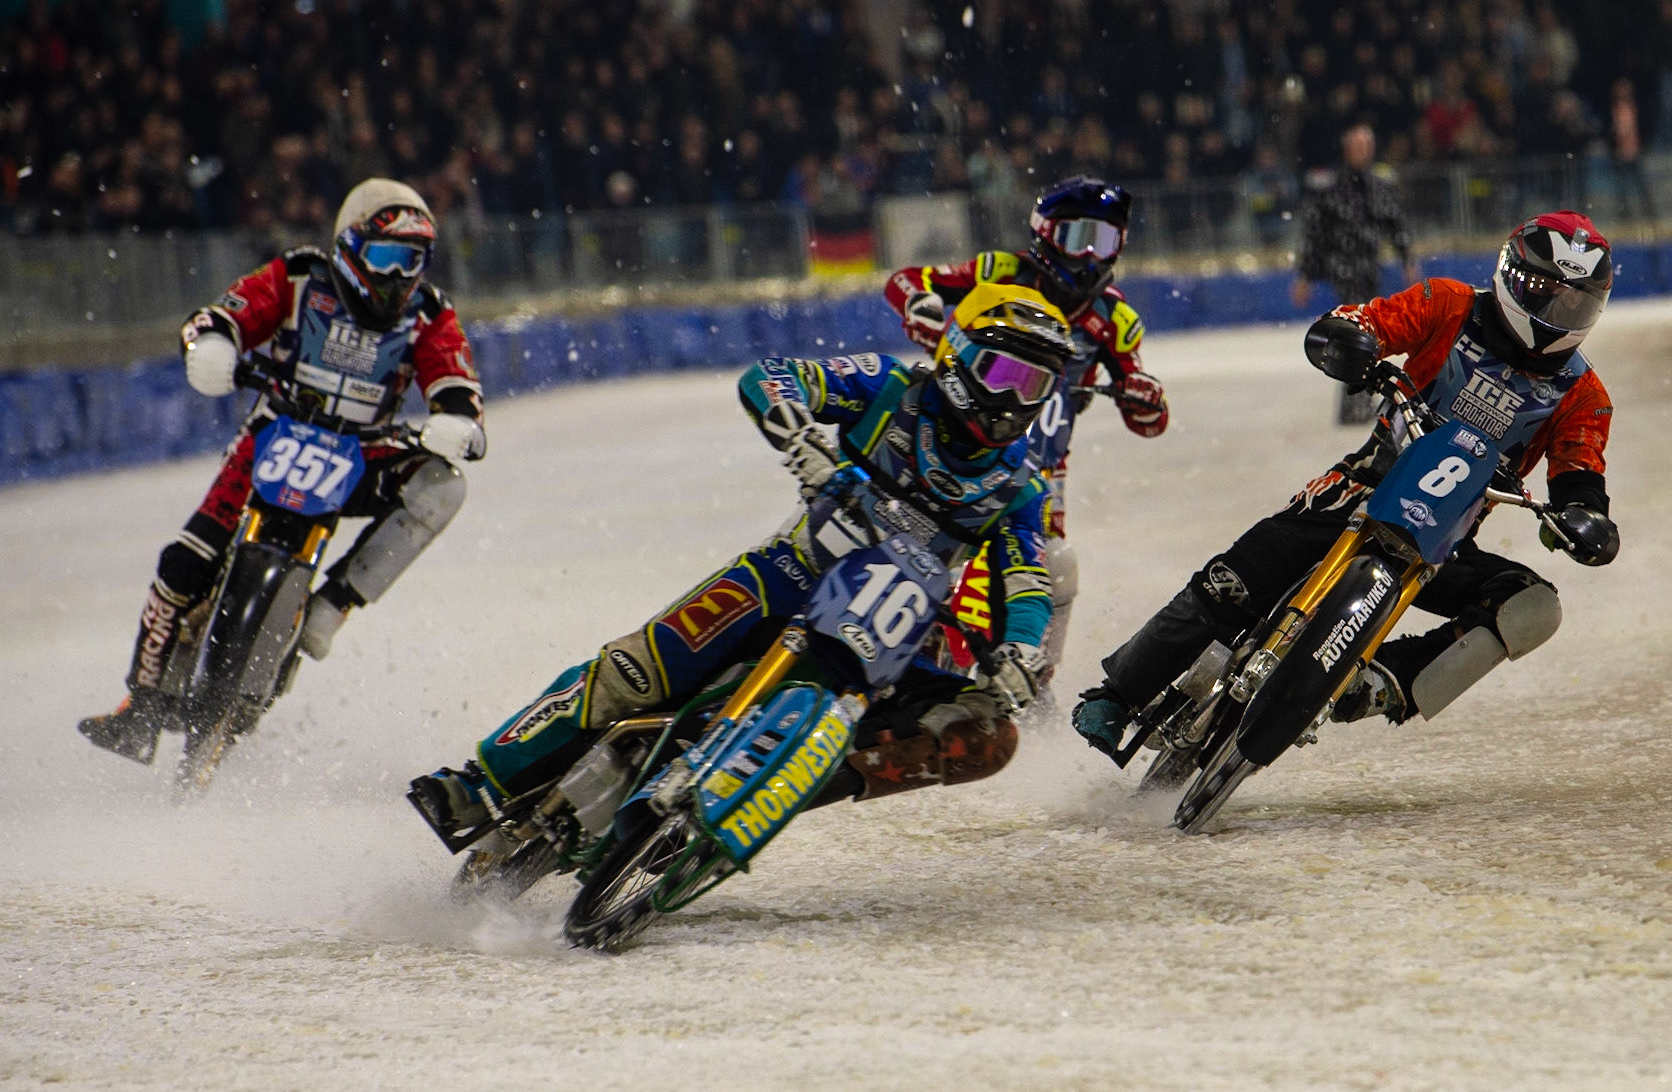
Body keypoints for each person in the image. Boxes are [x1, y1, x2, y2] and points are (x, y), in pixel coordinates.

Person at [409, 284, 1075, 842]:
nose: (1016, 401)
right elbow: (773, 377)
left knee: (985, 732)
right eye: (1005, 374)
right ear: (958, 356)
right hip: (789, 573)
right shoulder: (888, 386)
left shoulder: (1018, 489)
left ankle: (783, 786)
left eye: (1036, 386)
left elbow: (1026, 580)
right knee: (635, 671)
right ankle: (478, 781)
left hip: (891, 639)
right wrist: (802, 441)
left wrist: (1020, 650)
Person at [1075, 212, 1620, 755]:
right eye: (1543, 290)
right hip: (1361, 487)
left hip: (1446, 536)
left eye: (1573, 301)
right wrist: (1351, 339)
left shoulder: (1583, 394)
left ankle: (1387, 682)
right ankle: (1117, 694)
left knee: (1532, 607)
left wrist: (1584, 518)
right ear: (1511, 272)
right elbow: (1366, 321)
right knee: (1233, 582)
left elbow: (1580, 473)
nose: (1554, 310)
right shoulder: (1448, 303)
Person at [78, 179, 486, 764]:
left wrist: (457, 421)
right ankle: (140, 708)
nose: (398, 276)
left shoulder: (428, 313)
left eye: (412, 261)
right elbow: (223, 314)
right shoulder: (300, 276)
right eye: (386, 256)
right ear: (350, 246)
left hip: (363, 454)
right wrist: (215, 342)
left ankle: (333, 606)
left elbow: (456, 381)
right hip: (271, 436)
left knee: (444, 486)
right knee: (184, 564)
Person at [883, 176, 1168, 688]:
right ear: (1044, 232)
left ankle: (1031, 678)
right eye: (1075, 235)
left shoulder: (1115, 319)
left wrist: (1145, 395)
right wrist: (920, 309)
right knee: (915, 541)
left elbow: (1147, 416)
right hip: (950, 440)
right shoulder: (999, 271)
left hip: (1039, 472)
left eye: (1103, 241)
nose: (1087, 254)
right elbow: (906, 281)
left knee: (1051, 567)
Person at [1291, 123, 1416, 425]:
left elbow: (1395, 225)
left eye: (1366, 147)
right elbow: (1316, 234)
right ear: (1347, 150)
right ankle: (1355, 401)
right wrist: (1306, 276)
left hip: (1368, 267)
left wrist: (1407, 260)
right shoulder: (1332, 188)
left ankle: (1358, 400)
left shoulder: (1378, 186)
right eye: (1357, 146)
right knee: (1356, 332)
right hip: (1343, 269)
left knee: (1363, 331)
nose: (1363, 152)